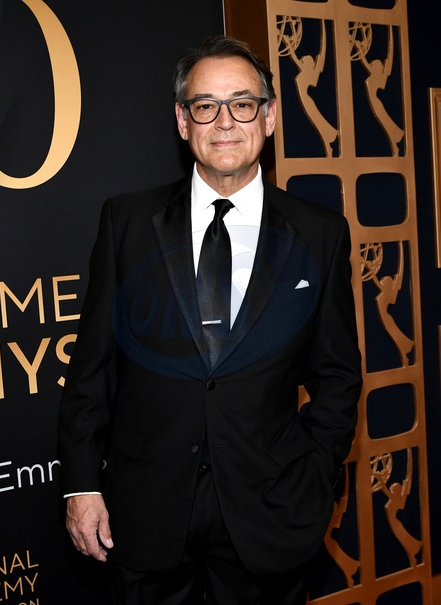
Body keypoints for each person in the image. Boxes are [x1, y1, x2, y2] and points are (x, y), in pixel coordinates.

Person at [58, 35, 362, 605]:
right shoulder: (127, 222)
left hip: (270, 511)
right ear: (183, 120)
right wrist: (80, 485)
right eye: (205, 105)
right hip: (143, 510)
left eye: (242, 103)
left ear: (269, 116)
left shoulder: (320, 233)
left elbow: (338, 375)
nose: (225, 122)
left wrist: (315, 476)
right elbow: (91, 368)